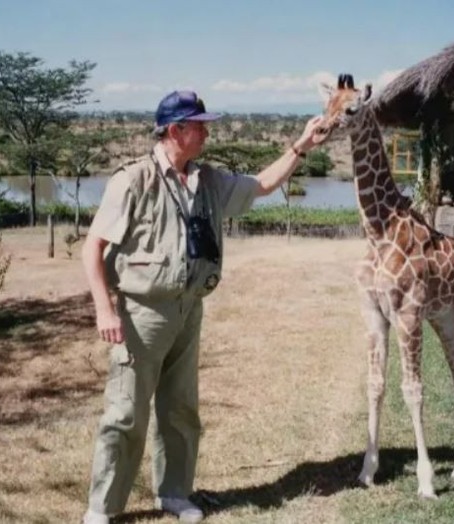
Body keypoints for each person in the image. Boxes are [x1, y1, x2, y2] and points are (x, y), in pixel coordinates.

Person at [81, 90, 327, 524]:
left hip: (189, 309)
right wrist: (105, 309)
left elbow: (262, 184)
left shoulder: (207, 181)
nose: (207, 132)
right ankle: (102, 508)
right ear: (175, 130)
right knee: (125, 413)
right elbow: (92, 247)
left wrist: (301, 145)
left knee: (180, 409)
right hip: (140, 315)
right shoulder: (133, 179)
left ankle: (175, 494)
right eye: (199, 125)